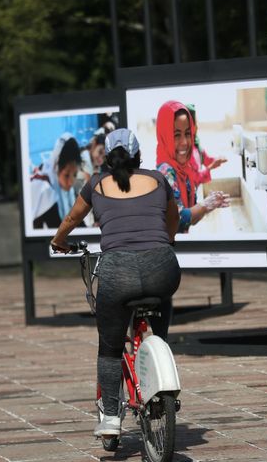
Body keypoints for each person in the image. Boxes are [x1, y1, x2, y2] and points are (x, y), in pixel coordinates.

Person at [50, 128, 181, 438]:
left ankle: (110, 417)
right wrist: (167, 242)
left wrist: (58, 241)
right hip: (162, 267)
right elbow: (173, 218)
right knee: (161, 297)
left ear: (107, 158)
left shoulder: (96, 184)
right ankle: (159, 342)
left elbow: (71, 220)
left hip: (117, 273)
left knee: (109, 347)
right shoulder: (159, 180)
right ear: (138, 155)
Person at [155, 100, 229, 233]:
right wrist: (205, 205)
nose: (184, 142)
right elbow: (176, 220)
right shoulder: (165, 173)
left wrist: (208, 205)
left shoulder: (184, 168)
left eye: (188, 133)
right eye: (176, 135)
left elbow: (189, 214)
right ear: (165, 136)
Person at [30, 133, 81, 229]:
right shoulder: (44, 190)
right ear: (56, 167)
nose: (71, 182)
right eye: (66, 175)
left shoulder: (69, 192)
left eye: (75, 175)